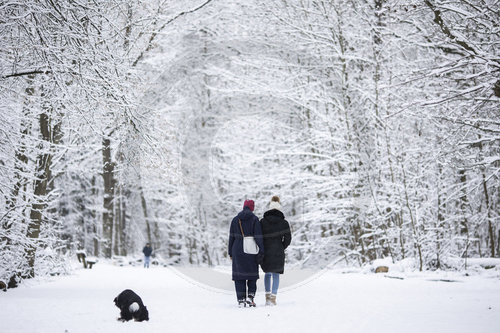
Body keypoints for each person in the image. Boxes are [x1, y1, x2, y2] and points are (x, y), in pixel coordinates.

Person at [228, 199, 264, 307]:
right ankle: (250, 297)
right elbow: (258, 236)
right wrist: (262, 250)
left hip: (237, 249)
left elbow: (231, 237)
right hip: (251, 250)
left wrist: (230, 252)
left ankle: (241, 300)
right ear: (252, 208)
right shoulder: (254, 219)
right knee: (252, 275)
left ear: (243, 207)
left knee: (239, 276)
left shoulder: (235, 220)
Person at [260, 196, 291, 306]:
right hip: (278, 251)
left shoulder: (262, 222)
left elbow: (259, 237)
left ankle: (267, 297)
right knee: (276, 274)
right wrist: (281, 246)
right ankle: (273, 298)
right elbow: (288, 239)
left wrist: (262, 247)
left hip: (266, 251)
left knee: (267, 274)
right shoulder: (284, 223)